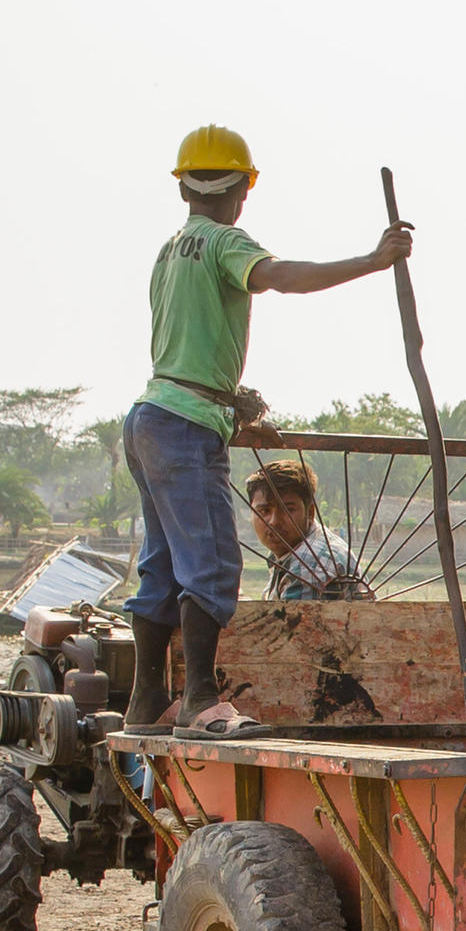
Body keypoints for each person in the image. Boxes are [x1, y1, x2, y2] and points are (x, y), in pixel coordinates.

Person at [122, 125, 411, 730]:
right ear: (244, 191)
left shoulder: (168, 251)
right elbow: (280, 276)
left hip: (150, 414)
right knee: (213, 564)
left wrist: (235, 402)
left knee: (163, 563)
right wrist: (372, 261)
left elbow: (186, 350)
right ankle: (201, 701)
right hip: (186, 424)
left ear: (183, 191)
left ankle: (146, 701)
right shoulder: (227, 242)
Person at [245, 458, 373, 601]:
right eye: (264, 511)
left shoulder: (310, 565)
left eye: (287, 510)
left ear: (310, 512)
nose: (274, 521)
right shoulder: (298, 550)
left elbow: (291, 623)